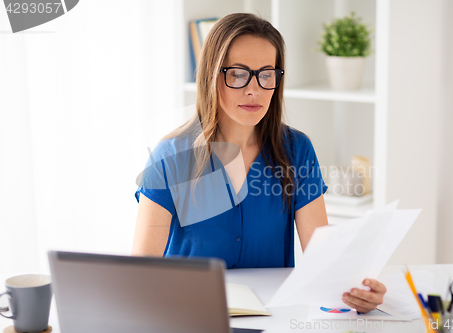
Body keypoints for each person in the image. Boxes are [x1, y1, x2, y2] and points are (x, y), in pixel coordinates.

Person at [132, 12, 386, 313]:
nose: (254, 89)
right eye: (238, 74)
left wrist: (356, 292)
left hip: (272, 317)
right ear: (213, 76)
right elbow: (140, 274)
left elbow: (323, 261)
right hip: (190, 315)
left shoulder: (296, 150)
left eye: (266, 74)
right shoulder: (171, 156)